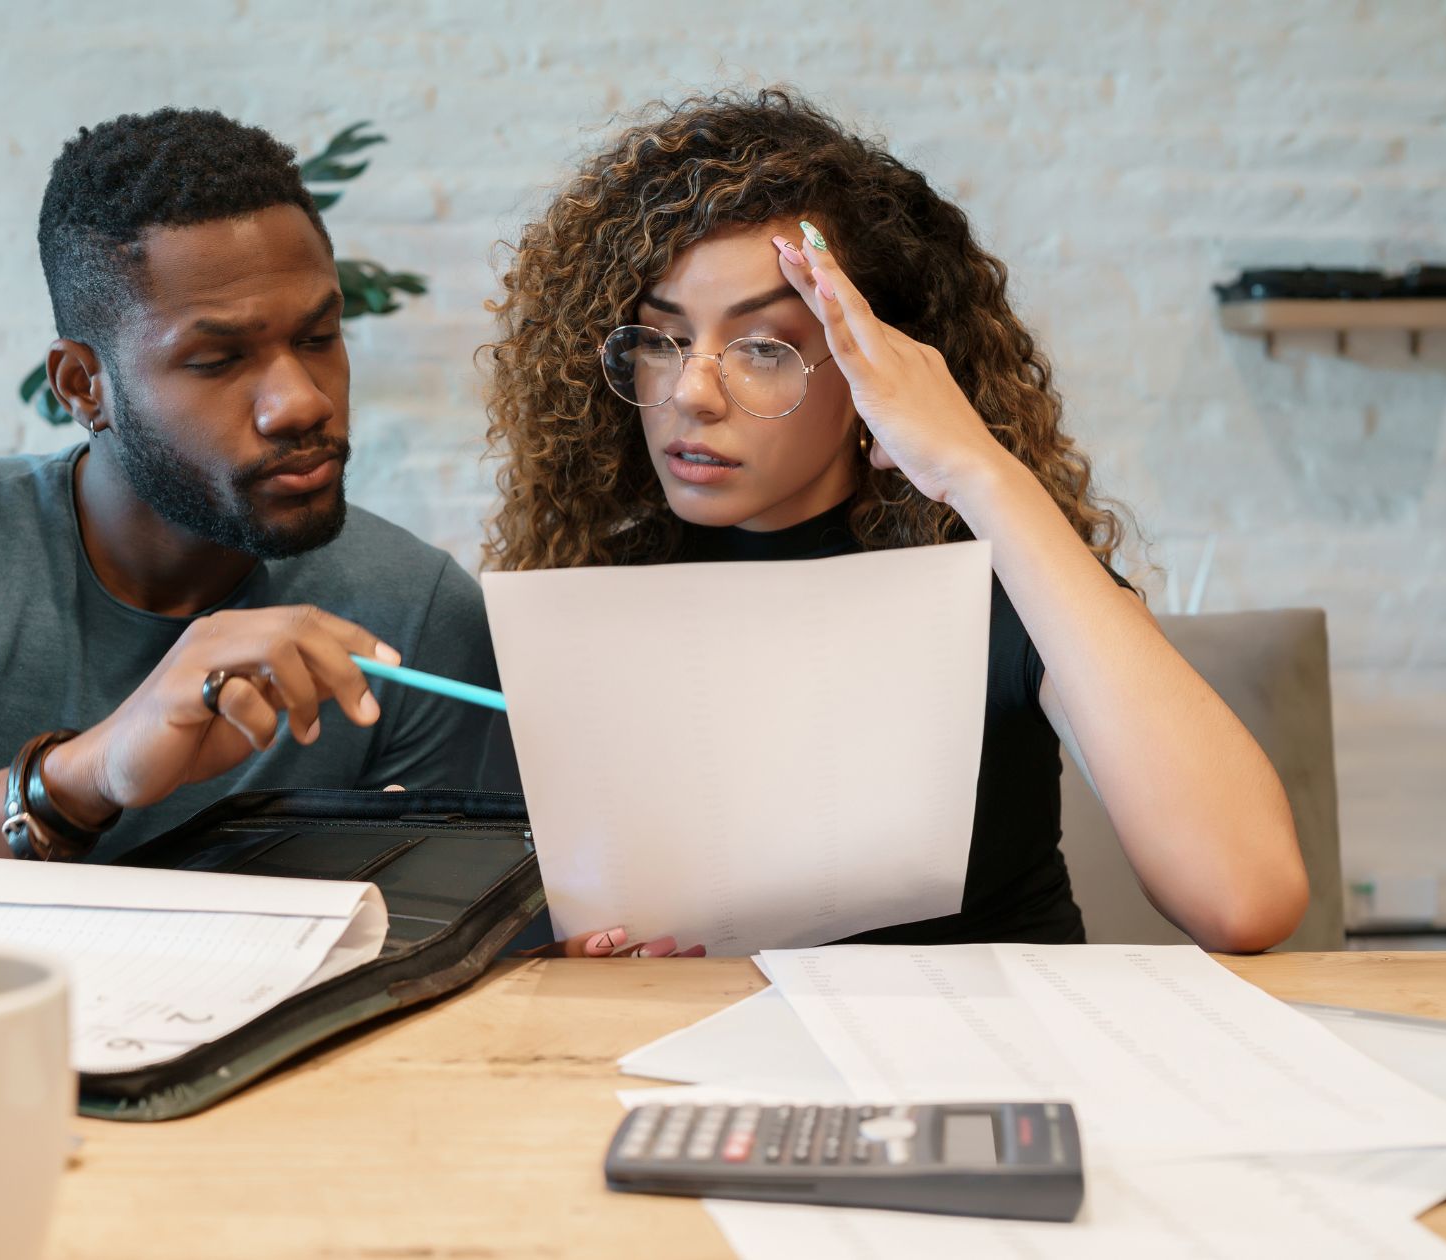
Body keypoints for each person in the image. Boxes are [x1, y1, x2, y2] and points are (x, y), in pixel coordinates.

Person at [484, 89, 1307, 953]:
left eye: (763, 348)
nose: (691, 393)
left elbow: (1243, 894)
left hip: (990, 1068)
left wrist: (978, 468)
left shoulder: (996, 581)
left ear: (875, 363)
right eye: (660, 340)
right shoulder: (589, 598)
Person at [0, 109, 508, 955]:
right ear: (83, 384)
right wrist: (84, 777)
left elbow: (451, 956)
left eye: (318, 338)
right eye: (217, 360)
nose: (301, 400)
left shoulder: (413, 615)